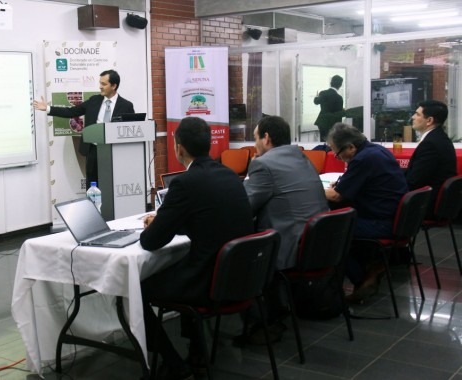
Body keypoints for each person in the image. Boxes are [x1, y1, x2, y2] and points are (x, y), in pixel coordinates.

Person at [139, 116, 253, 380]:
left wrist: (160, 222)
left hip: (208, 282)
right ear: (209, 146)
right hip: (239, 277)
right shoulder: (229, 175)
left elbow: (151, 241)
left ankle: (173, 363)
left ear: (179, 148)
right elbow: (208, 217)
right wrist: (173, 220)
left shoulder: (184, 183)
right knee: (183, 263)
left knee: (135, 286)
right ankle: (197, 353)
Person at [324, 123, 408, 303]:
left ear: (351, 147)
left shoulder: (363, 160)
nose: (338, 158)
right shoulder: (377, 151)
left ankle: (362, 278)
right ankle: (371, 265)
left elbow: (338, 196)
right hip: (394, 218)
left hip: (381, 223)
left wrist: (314, 188)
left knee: (329, 235)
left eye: (338, 154)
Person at [245, 115, 328, 270]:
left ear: (266, 138)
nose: (255, 144)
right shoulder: (302, 157)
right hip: (319, 243)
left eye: (256, 138)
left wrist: (249, 175)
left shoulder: (263, 164)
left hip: (290, 248)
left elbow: (244, 206)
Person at [32, 69, 135, 187]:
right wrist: (48, 108)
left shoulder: (126, 106)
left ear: (114, 86)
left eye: (104, 84)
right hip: (93, 150)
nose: (100, 86)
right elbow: (71, 111)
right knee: (92, 186)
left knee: (112, 185)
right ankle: (92, 205)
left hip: (115, 153)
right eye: (100, 83)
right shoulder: (94, 100)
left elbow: (130, 132)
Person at [406, 100, 457, 218]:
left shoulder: (430, 144)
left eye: (417, 114)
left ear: (429, 120)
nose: (413, 117)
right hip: (436, 202)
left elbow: (414, 181)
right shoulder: (440, 138)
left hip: (425, 205)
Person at [314, 75, 344, 142]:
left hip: (322, 122)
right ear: (340, 85)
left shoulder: (323, 93)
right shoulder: (339, 98)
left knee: (323, 142)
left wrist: (316, 96)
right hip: (332, 124)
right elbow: (339, 114)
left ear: (331, 82)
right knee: (332, 142)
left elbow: (316, 102)